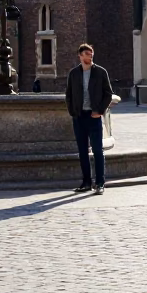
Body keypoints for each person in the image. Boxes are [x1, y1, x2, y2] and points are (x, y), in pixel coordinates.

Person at [66, 44, 114, 196]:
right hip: (79, 117)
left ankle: (100, 183)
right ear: (80, 55)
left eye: (91, 53)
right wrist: (73, 112)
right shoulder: (74, 73)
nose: (90, 56)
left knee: (98, 150)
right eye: (87, 53)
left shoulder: (100, 72)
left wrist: (100, 111)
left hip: (94, 117)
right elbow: (69, 94)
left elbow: (108, 93)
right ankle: (86, 182)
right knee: (82, 151)